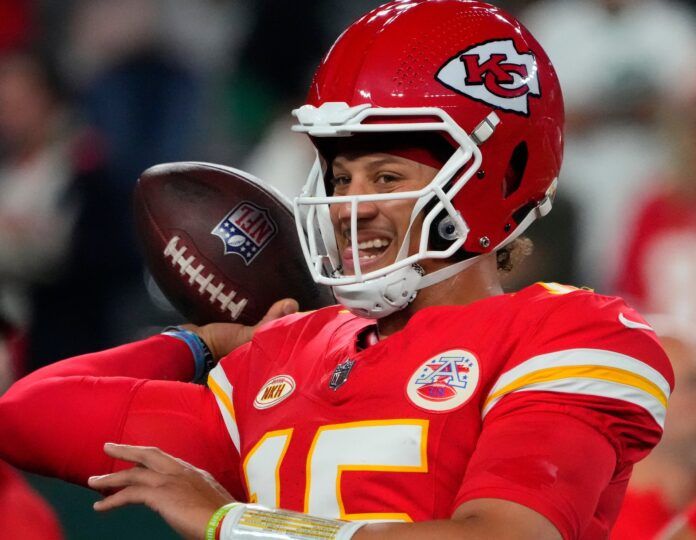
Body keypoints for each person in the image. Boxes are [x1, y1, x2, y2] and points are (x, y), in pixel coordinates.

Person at [0, 2, 672, 539]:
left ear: (494, 178)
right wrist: (202, 343)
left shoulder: (569, 332)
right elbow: (28, 417)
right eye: (341, 175)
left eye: (385, 176)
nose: (351, 206)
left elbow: (502, 535)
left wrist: (232, 522)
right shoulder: (291, 349)